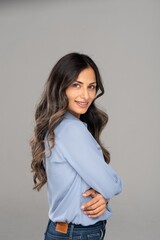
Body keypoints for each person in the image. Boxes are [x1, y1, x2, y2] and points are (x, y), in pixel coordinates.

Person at [30, 52, 123, 240]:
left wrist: (103, 194)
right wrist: (111, 187)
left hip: (65, 231)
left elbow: (94, 184)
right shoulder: (71, 130)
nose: (86, 95)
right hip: (76, 233)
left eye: (91, 87)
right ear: (61, 87)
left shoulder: (59, 127)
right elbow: (110, 184)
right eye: (76, 85)